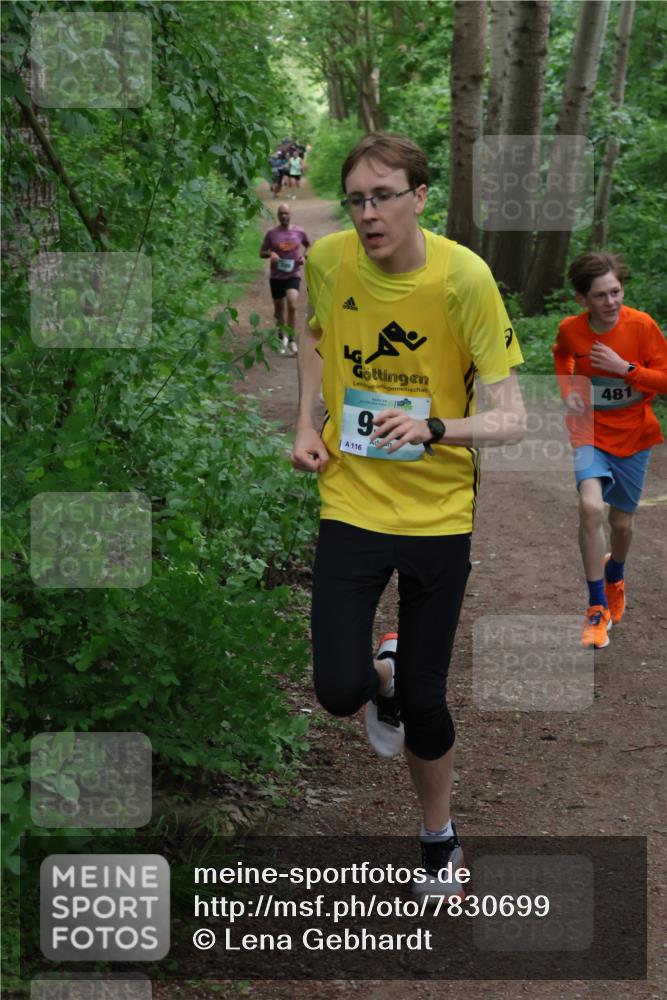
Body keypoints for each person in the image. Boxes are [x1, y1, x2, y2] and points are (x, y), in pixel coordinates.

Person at [291, 132, 526, 898]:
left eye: (382, 195)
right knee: (334, 690)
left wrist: (432, 428)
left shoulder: (465, 279)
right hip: (353, 500)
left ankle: (437, 835)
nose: (366, 213)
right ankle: (375, 675)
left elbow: (512, 418)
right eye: (356, 198)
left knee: (425, 699)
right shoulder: (328, 262)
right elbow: (315, 338)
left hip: (438, 510)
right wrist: (305, 423)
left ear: (419, 196)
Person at [553, 251, 667, 650]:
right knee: (589, 508)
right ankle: (596, 606)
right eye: (600, 295)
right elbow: (562, 354)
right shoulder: (572, 329)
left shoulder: (642, 327)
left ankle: (615, 573)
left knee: (621, 524)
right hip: (589, 431)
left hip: (634, 436)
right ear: (582, 299)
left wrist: (625, 369)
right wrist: (569, 391)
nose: (611, 302)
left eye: (615, 292)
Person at [259, 203, 311, 355]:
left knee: (292, 305)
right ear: (277, 215)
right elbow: (261, 252)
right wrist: (270, 254)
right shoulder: (271, 234)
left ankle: (293, 339)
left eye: (286, 213)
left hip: (293, 274)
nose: (283, 216)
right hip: (276, 277)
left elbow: (308, 245)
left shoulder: (299, 232)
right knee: (279, 310)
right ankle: (282, 338)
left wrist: (304, 255)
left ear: (291, 214)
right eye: (281, 213)